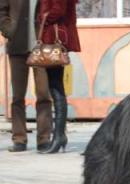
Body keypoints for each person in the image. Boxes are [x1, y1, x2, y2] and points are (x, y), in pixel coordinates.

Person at [0, 0, 52, 152]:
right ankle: (19, 139)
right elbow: (2, 10)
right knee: (18, 97)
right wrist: (9, 30)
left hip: (41, 48)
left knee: (43, 95)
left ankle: (44, 139)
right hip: (17, 46)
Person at [36, 0, 80, 154]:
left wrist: (42, 17)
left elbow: (58, 10)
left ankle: (59, 135)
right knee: (56, 88)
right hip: (55, 40)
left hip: (54, 40)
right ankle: (59, 135)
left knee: (56, 89)